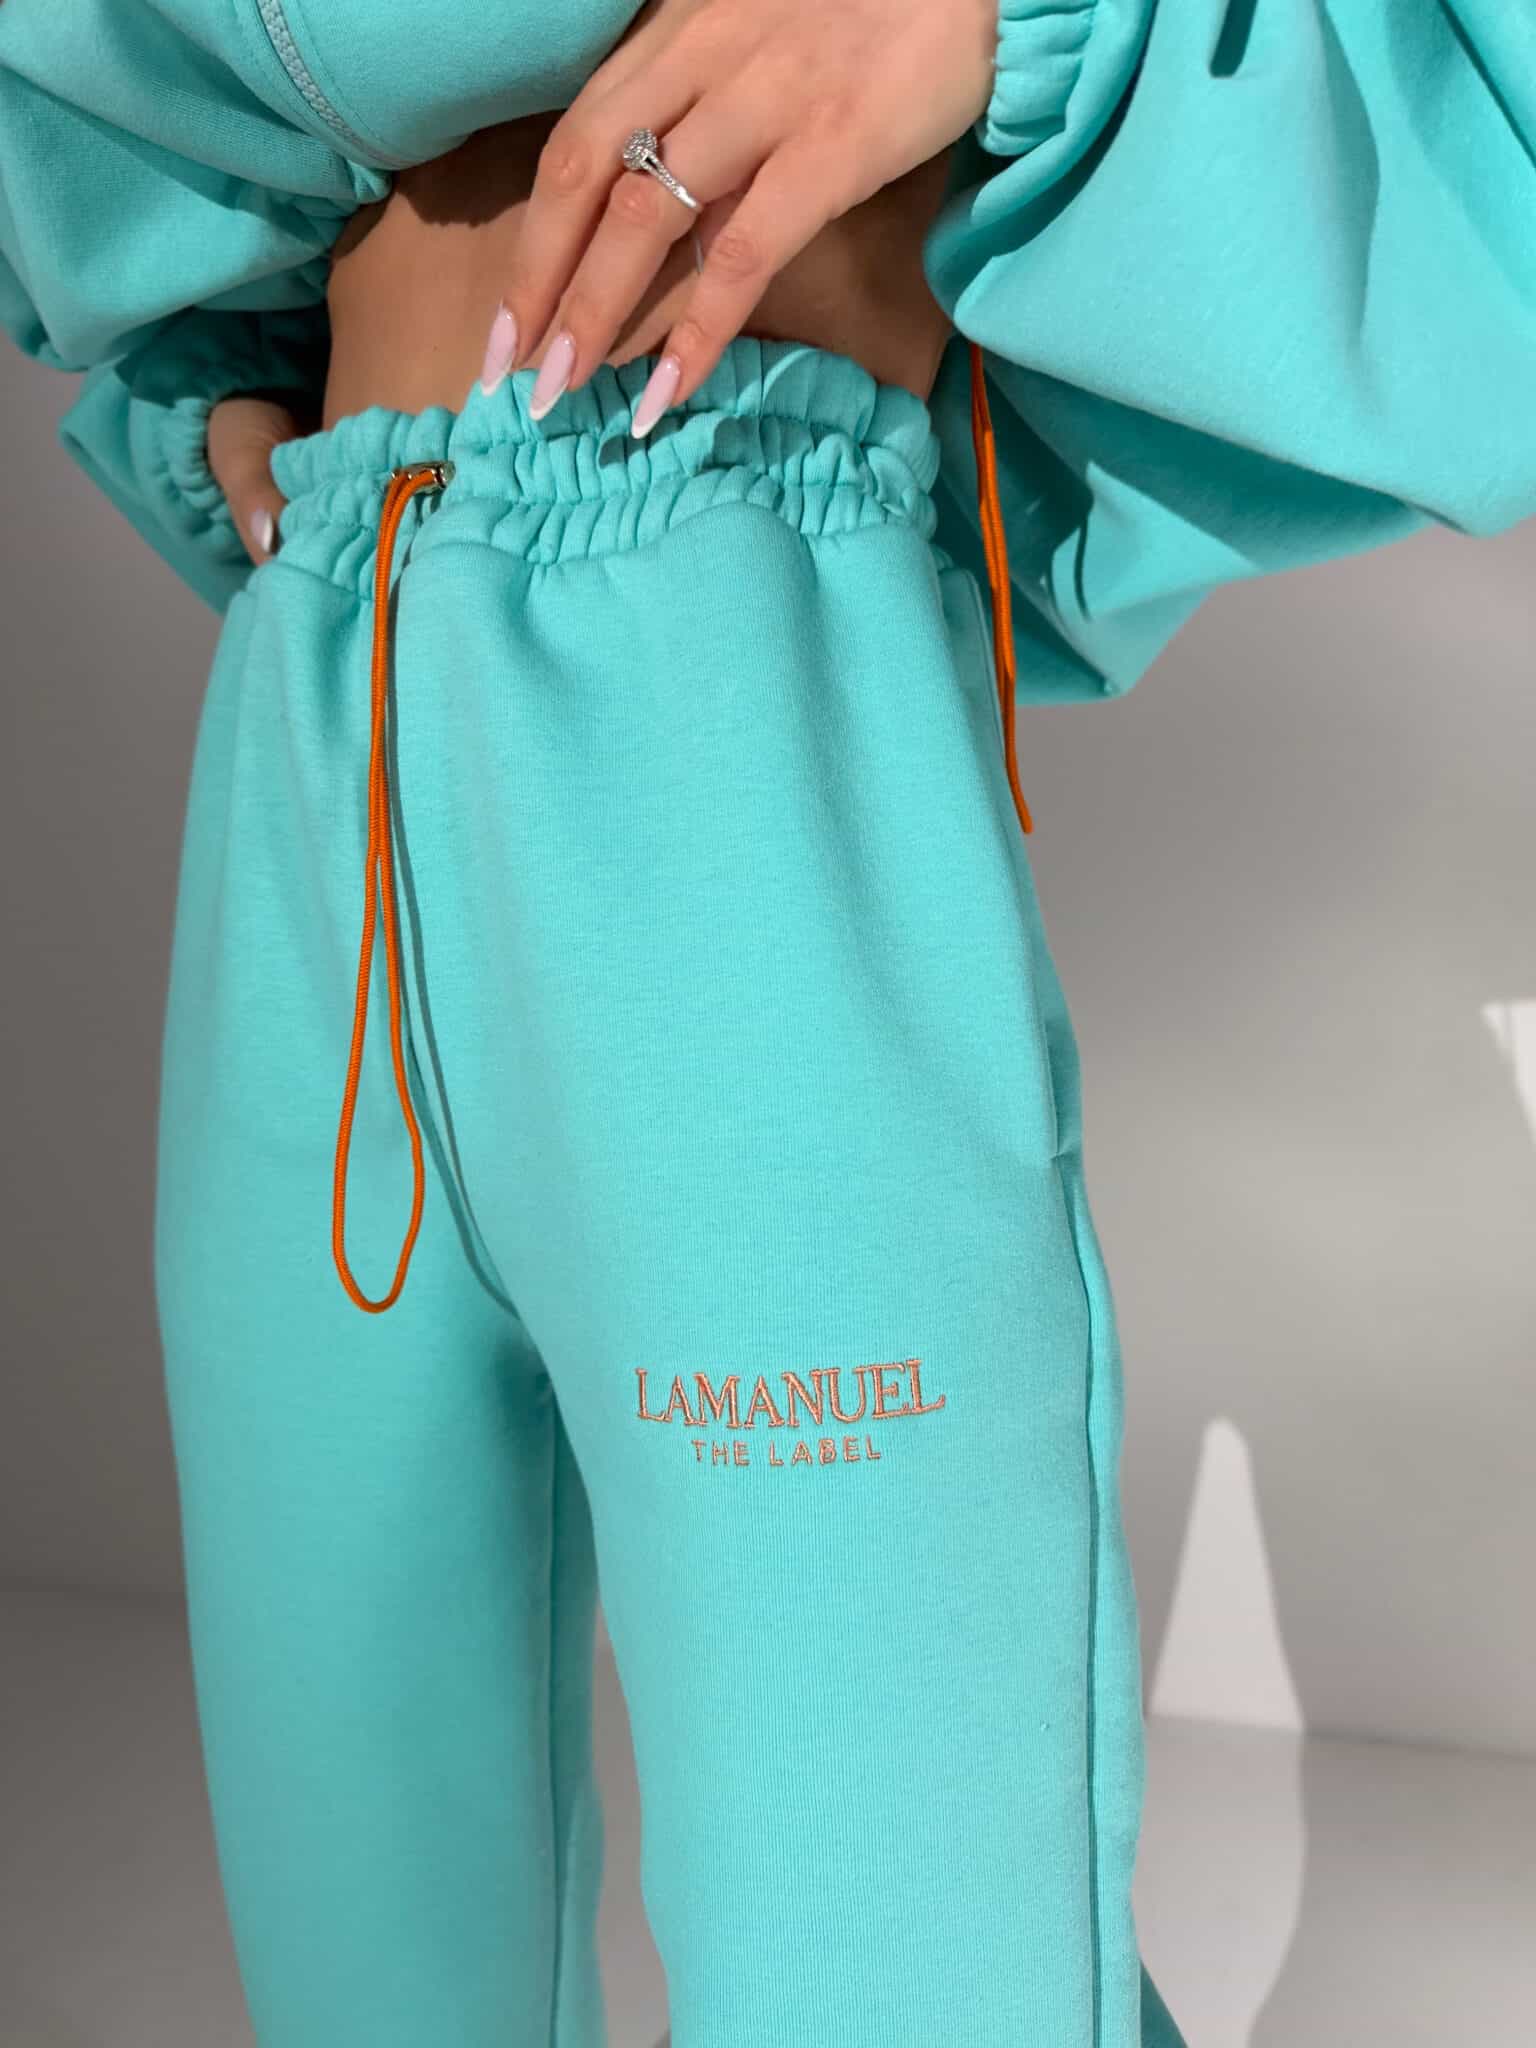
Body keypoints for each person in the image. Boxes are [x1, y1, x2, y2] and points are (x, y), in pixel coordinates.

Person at [1, 4, 1532, 2045]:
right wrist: (199, 386)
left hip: (731, 659)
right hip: (313, 723)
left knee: (899, 1960)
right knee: (364, 1957)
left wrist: (998, 20)